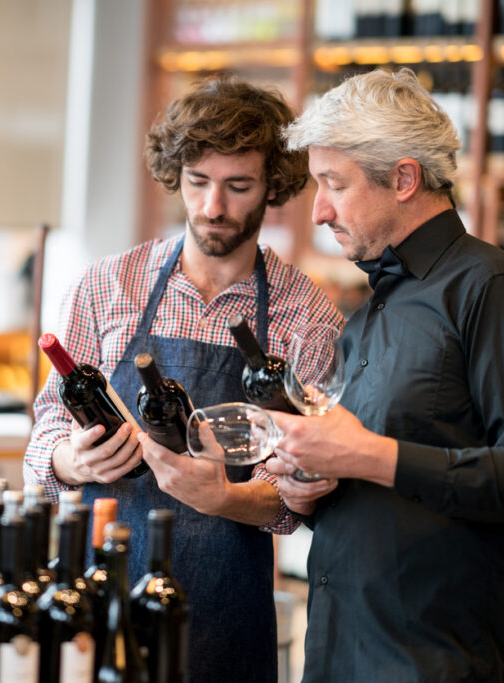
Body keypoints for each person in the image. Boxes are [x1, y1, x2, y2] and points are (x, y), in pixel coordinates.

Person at [25, 76, 342, 682]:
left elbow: (302, 496)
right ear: (177, 176)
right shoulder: (107, 287)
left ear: (273, 186)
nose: (212, 207)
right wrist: (73, 460)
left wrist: (224, 495)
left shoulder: (308, 318)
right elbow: (42, 441)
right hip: (97, 606)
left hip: (221, 624)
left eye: (237, 186)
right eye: (198, 182)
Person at [265, 68, 504, 682]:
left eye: (335, 184)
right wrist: (309, 486)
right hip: (336, 650)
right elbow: (369, 474)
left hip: (434, 664)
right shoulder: (368, 311)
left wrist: (369, 455)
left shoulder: (497, 290)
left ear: (404, 178)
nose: (320, 209)